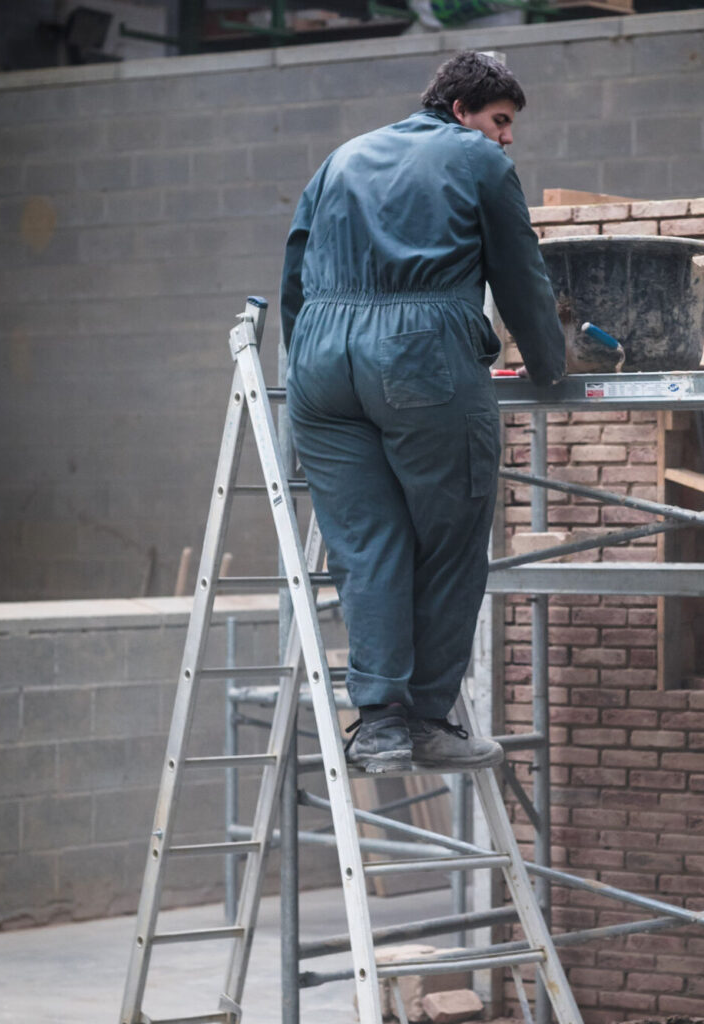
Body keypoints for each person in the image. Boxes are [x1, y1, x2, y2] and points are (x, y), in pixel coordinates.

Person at [279, 51, 566, 774]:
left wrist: (308, 364)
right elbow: (520, 273)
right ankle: (430, 720)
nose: (506, 138)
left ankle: (377, 726)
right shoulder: (479, 162)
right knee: (450, 540)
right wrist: (550, 365)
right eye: (501, 121)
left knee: (366, 545)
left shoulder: (342, 157)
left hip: (318, 362)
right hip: (418, 357)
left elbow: (293, 273)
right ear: (464, 109)